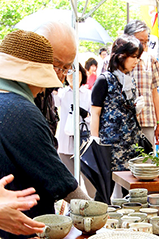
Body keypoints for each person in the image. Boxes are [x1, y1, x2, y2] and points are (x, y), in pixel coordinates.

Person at [0, 30, 90, 239]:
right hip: (24, 226)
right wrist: (94, 212)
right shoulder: (21, 111)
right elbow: (57, 176)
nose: (42, 90)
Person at [90, 34, 144, 197]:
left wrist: (136, 109)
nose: (136, 61)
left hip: (131, 145)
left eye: (137, 57)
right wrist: (95, 140)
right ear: (121, 56)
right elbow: (95, 112)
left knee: (132, 194)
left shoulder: (130, 80)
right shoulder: (104, 80)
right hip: (110, 146)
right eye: (133, 57)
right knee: (104, 192)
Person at [53, 63, 95, 197]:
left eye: (76, 73)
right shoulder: (62, 93)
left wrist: (85, 115)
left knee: (89, 178)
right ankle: (74, 206)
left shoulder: (88, 94)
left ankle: (95, 203)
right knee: (69, 178)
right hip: (66, 141)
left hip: (83, 140)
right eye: (69, 73)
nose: (73, 77)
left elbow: (93, 117)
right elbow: (54, 102)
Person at [33, 21, 77, 149]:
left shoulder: (49, 94)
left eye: (66, 68)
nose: (61, 74)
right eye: (56, 65)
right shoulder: (23, 97)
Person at [124, 20, 159, 147]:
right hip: (123, 123)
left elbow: (154, 94)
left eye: (146, 42)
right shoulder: (115, 62)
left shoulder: (151, 61)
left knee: (146, 163)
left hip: (146, 122)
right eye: (141, 42)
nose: (144, 46)